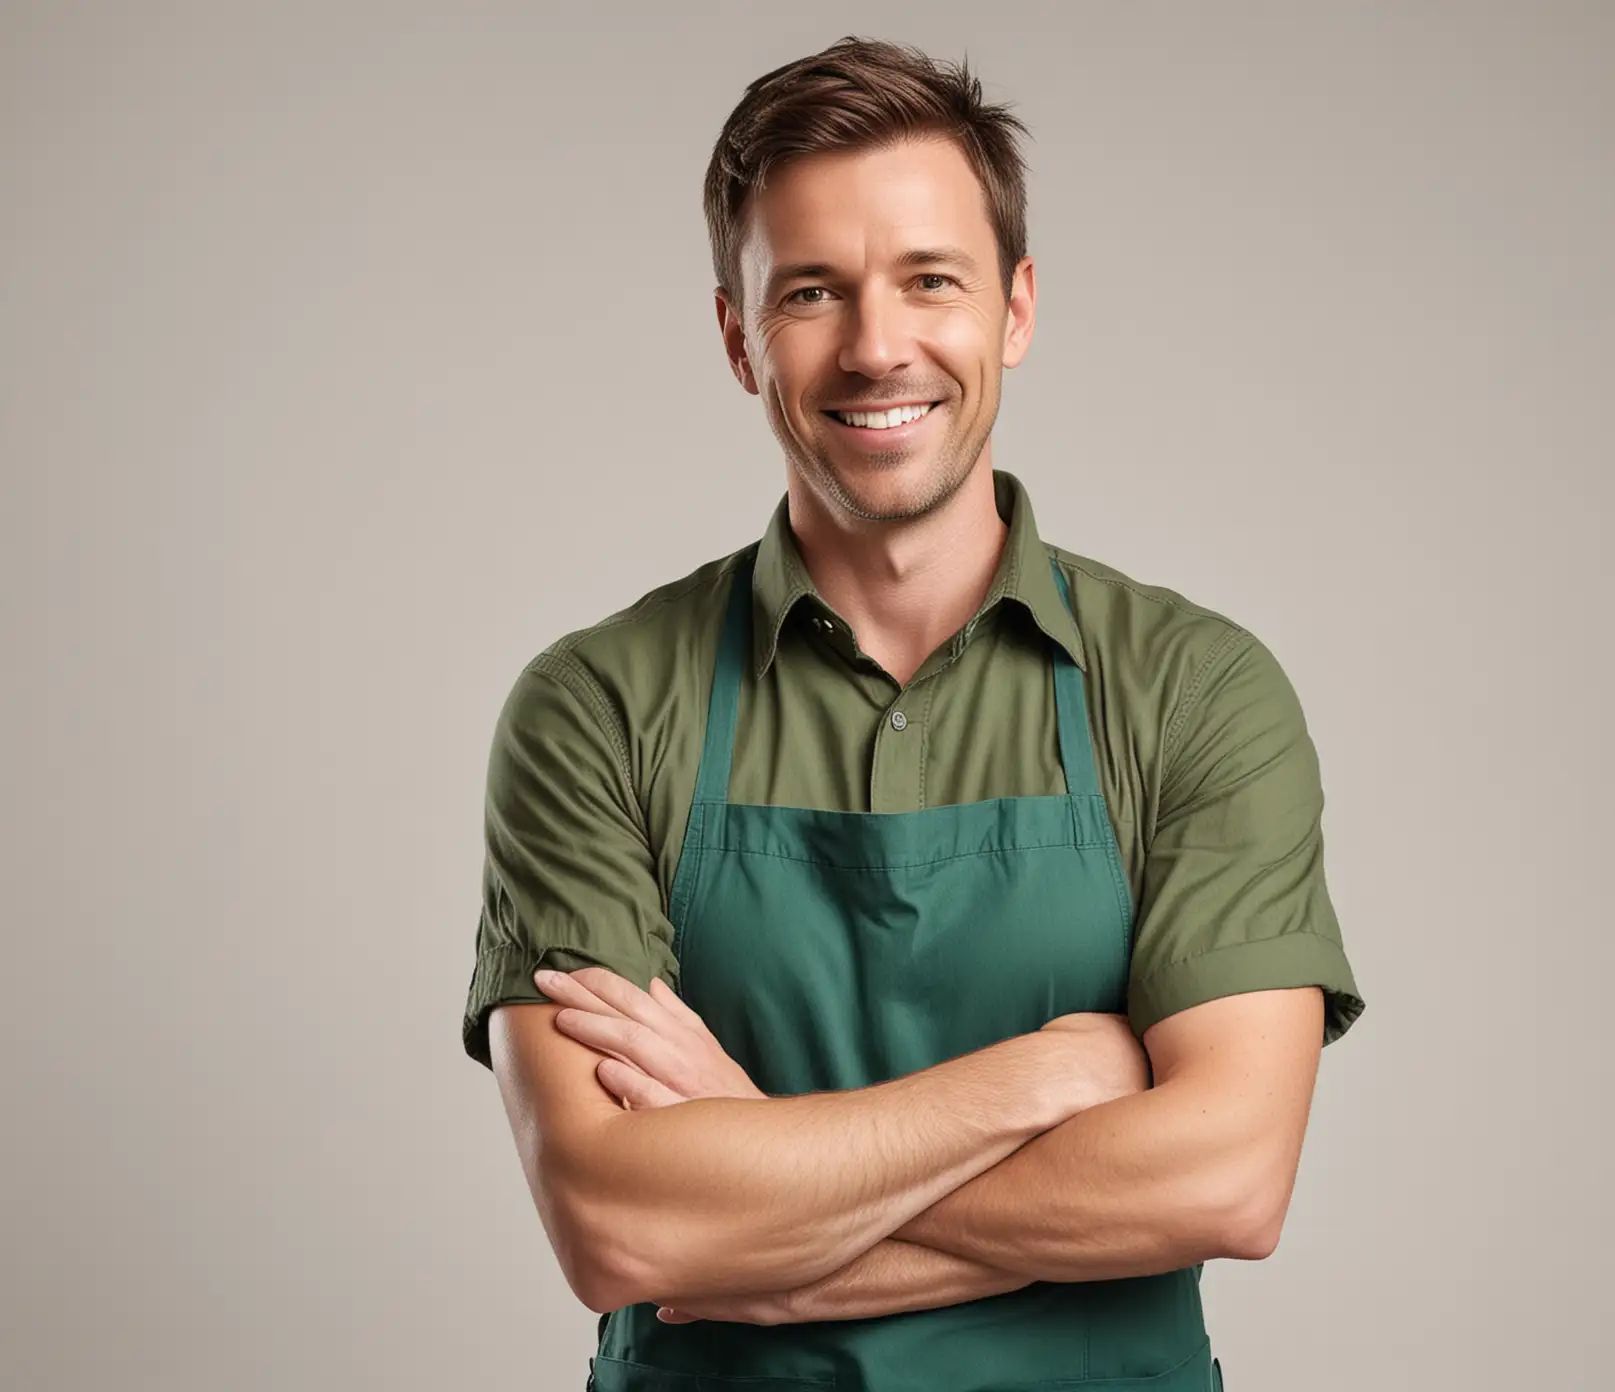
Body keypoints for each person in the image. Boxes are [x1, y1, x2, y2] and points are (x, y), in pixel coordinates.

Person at [461, 34, 1365, 1392]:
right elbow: (619, 1220)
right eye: (813, 291)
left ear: (1014, 308)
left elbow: (1230, 1178)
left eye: (928, 281)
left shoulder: (1195, 691)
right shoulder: (597, 706)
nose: (878, 348)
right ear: (737, 338)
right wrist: (1043, 1082)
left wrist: (759, 1173)